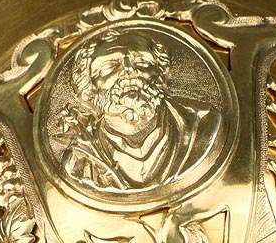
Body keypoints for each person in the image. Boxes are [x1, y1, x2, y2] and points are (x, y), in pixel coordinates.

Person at [56, 29, 221, 191]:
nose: (129, 70)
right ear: (87, 87)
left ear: (161, 74)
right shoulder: (79, 161)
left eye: (142, 62)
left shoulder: (204, 123)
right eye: (110, 66)